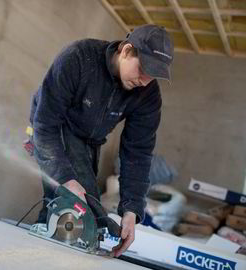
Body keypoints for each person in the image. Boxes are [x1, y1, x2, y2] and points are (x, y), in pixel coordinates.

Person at [27, 24, 173, 257]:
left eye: (153, 75)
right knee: (82, 208)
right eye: (144, 68)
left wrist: (132, 209)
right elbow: (45, 125)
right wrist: (66, 179)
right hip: (53, 129)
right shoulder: (79, 58)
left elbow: (137, 154)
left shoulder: (148, 94)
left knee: (78, 210)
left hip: (89, 142)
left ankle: (46, 243)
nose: (145, 81)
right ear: (126, 51)